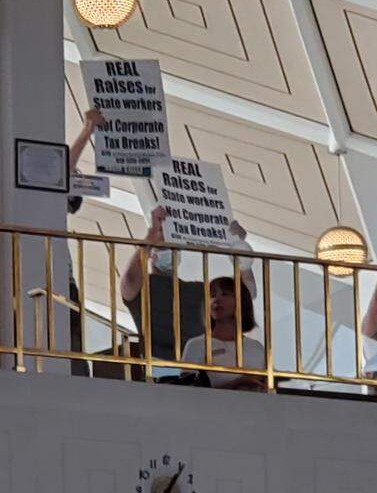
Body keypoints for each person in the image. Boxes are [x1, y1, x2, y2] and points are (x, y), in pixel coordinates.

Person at [120, 205, 256, 367]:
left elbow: (245, 294)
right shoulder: (145, 287)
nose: (169, 251)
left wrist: (239, 248)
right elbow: (129, 279)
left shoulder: (199, 290)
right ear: (151, 255)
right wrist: (151, 236)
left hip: (200, 369)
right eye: (162, 247)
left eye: (173, 247)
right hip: (160, 369)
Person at [66, 108, 107, 375]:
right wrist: (87, 130)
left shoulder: (50, 205)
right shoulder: (44, 197)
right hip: (56, 281)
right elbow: (62, 171)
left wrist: (88, 129)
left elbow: (63, 171)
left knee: (72, 341)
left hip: (63, 282)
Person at [181, 276, 265, 390]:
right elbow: (186, 391)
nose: (216, 300)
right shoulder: (196, 345)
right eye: (212, 296)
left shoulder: (256, 347)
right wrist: (235, 384)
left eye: (225, 294)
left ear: (241, 301)